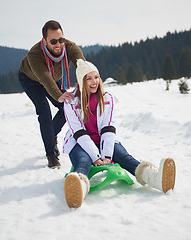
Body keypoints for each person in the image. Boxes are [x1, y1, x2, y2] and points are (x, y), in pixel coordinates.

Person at [63, 59, 176, 208]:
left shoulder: (107, 98)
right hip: (79, 142)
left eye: (96, 77)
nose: (94, 82)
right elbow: (79, 133)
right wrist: (96, 157)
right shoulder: (71, 102)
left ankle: (155, 178)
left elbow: (108, 129)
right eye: (88, 78)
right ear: (81, 81)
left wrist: (107, 156)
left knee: (124, 157)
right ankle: (78, 188)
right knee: (83, 161)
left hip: (104, 140)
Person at [19, 20, 85, 169]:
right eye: (53, 41)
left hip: (54, 78)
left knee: (67, 107)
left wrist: (87, 84)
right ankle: (51, 155)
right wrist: (58, 95)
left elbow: (83, 67)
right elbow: (44, 78)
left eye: (60, 39)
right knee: (44, 112)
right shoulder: (34, 54)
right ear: (45, 41)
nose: (58, 44)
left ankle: (51, 134)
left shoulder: (70, 48)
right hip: (31, 80)